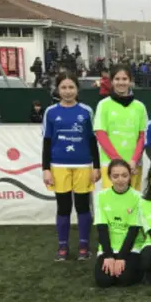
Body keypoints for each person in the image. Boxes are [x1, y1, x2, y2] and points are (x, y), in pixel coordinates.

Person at [42, 72, 100, 261]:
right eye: (63, 87)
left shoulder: (86, 111)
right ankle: (63, 247)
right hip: (58, 166)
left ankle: (84, 246)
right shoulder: (51, 112)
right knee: (63, 207)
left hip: (83, 165)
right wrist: (46, 169)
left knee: (83, 206)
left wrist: (96, 166)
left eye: (71, 87)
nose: (67, 91)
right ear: (57, 90)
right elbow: (47, 141)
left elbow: (92, 140)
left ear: (77, 89)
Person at [94, 64, 148, 190]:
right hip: (110, 164)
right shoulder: (103, 104)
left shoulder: (140, 106)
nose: (121, 82)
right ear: (112, 81)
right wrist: (117, 161)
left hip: (133, 165)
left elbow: (142, 136)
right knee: (113, 200)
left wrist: (134, 160)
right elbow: (101, 134)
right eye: (117, 79)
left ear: (130, 81)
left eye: (124, 79)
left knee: (132, 201)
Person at [93, 159, 144, 287]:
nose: (120, 179)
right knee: (103, 281)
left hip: (131, 247)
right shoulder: (101, 196)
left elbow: (133, 231)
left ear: (130, 176)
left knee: (124, 279)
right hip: (109, 247)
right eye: (116, 176)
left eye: (124, 175)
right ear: (109, 177)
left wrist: (121, 257)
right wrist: (108, 255)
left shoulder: (138, 197)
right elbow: (102, 228)